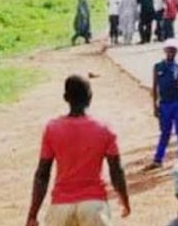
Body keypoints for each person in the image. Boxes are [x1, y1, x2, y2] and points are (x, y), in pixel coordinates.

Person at [25, 75, 130, 226]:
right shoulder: (104, 128)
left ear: (65, 98)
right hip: (94, 205)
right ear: (90, 97)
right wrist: (124, 200)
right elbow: (116, 170)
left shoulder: (52, 129)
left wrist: (32, 215)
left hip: (61, 207)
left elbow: (42, 174)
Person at [146, 38, 178, 170]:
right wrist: (155, 105)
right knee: (165, 132)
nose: (171, 53)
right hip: (164, 104)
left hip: (177, 103)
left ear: (176, 53)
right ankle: (158, 159)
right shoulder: (158, 67)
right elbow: (154, 87)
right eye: (169, 50)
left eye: (173, 51)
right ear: (165, 51)